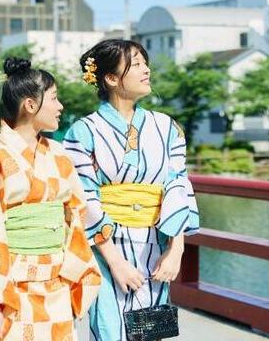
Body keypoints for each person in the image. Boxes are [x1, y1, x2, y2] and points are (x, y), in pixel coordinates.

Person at [0, 57, 102, 341]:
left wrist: (74, 272)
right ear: (30, 105)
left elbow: (76, 215)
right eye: (54, 98)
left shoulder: (59, 154)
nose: (60, 106)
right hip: (10, 288)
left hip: (56, 284)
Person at [64, 39, 200, 341]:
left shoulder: (167, 127)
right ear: (112, 79)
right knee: (110, 330)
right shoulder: (83, 131)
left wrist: (176, 250)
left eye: (145, 63)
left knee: (151, 333)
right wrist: (115, 261)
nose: (146, 70)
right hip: (105, 248)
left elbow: (178, 185)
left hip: (156, 245)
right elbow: (83, 198)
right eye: (136, 64)